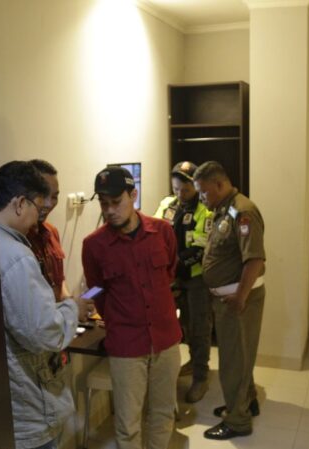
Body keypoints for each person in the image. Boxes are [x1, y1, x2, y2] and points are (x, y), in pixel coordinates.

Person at [81, 166, 182, 449]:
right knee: (127, 424)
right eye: (104, 203)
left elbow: (170, 273)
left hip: (165, 339)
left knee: (163, 413)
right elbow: (96, 289)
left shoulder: (162, 231)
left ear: (133, 195)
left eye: (116, 202)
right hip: (126, 345)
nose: (110, 210)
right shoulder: (94, 245)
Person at [0, 161, 91, 449]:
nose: (40, 215)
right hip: (28, 401)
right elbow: (44, 332)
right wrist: (73, 309)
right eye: (38, 206)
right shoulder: (17, 257)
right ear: (20, 204)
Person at [193, 161, 266, 440]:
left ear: (220, 184)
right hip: (230, 297)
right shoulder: (225, 209)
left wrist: (240, 297)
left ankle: (237, 421)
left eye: (204, 191)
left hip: (238, 299)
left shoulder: (243, 211)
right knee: (240, 355)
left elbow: (254, 259)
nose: (201, 197)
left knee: (234, 361)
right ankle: (247, 402)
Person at [154, 161, 214, 403]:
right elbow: (154, 232)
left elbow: (201, 247)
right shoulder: (167, 204)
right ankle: (190, 362)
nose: (180, 194)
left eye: (185, 190)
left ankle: (201, 376)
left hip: (196, 278)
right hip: (169, 277)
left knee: (199, 327)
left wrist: (172, 265)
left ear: (195, 187)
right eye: (176, 189)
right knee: (178, 326)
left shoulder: (205, 210)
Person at [26, 159, 71, 302]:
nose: (49, 204)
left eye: (54, 197)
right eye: (43, 195)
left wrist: (71, 302)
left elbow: (59, 281)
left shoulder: (52, 232)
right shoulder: (19, 240)